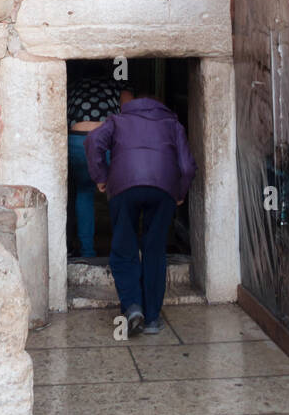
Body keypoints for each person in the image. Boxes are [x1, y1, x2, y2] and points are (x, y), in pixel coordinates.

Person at [84, 84, 196, 336]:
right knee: (154, 249)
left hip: (124, 186)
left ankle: (133, 306)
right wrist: (179, 192)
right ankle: (153, 319)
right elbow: (188, 166)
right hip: (163, 190)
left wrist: (100, 176)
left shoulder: (117, 120)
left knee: (124, 248)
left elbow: (92, 141)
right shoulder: (172, 124)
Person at [66, 70, 132, 259]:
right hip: (106, 139)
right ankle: (122, 250)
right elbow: (129, 112)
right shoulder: (118, 81)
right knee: (116, 193)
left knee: (84, 192)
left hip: (77, 138)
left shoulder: (74, 79)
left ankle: (87, 252)